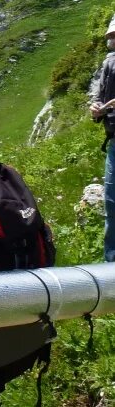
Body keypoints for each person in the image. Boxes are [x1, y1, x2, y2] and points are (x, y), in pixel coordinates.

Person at [89, 14, 115, 262]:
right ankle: (111, 269)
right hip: (114, 141)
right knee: (112, 205)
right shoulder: (108, 64)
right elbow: (97, 95)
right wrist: (97, 108)